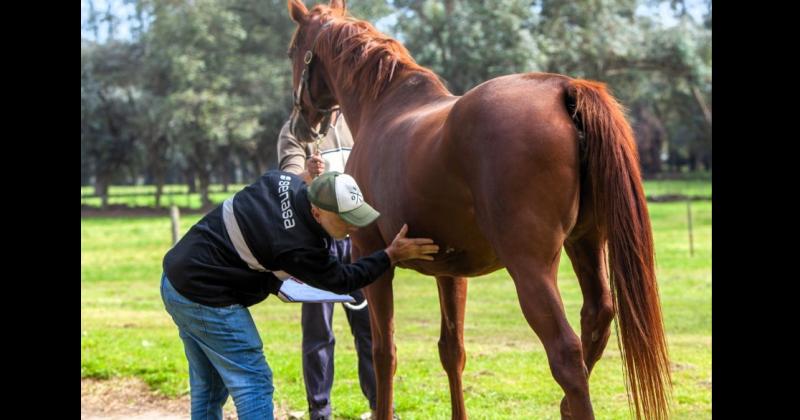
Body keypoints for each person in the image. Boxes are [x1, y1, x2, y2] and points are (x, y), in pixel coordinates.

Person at [160, 169, 438, 420]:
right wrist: (391, 255)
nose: (354, 227)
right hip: (203, 295)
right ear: (317, 211)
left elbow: (263, 221)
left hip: (175, 280)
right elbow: (344, 280)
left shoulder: (282, 180)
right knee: (254, 380)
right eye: (345, 220)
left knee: (209, 387)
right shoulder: (299, 245)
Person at [278, 112, 381, 420]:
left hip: (359, 237)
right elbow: (288, 180)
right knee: (318, 330)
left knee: (369, 328)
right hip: (317, 241)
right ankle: (320, 412)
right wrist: (307, 176)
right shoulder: (296, 130)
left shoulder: (358, 120)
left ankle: (380, 407)